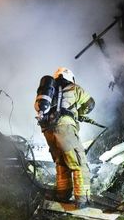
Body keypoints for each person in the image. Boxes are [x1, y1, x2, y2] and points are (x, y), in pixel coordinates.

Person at [35, 67, 95, 208]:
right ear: (70, 78)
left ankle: (62, 195)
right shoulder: (74, 88)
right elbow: (90, 104)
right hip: (64, 127)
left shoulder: (49, 91)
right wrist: (79, 113)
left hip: (47, 130)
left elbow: (38, 107)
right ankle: (83, 200)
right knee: (79, 162)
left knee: (61, 163)